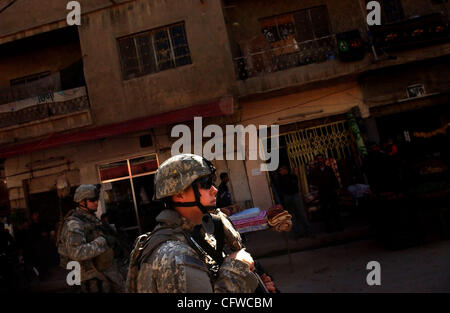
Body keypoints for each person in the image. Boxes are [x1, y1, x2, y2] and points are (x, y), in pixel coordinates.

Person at [126, 153, 261, 293]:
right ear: (179, 194)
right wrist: (237, 268)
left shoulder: (196, 234)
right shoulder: (174, 255)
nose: (214, 190)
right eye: (206, 183)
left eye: (212, 182)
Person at [57, 184, 127, 293]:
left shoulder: (90, 219)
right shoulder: (74, 224)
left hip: (103, 273)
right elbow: (76, 252)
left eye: (97, 199)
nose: (96, 202)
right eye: (92, 200)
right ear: (81, 202)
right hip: (90, 279)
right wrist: (103, 241)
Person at [309, 154, 343, 233]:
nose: (320, 160)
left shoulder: (329, 169)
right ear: (317, 160)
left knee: (335, 209)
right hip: (322, 192)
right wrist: (317, 186)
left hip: (331, 192)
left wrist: (337, 189)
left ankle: (339, 226)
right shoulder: (315, 171)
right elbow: (311, 180)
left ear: (324, 159)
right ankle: (328, 228)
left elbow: (334, 179)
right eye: (319, 159)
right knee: (325, 211)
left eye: (322, 158)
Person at [277, 165, 310, 238]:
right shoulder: (280, 179)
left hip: (295, 196)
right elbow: (281, 189)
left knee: (301, 213)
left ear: (286, 170)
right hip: (287, 197)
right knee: (292, 216)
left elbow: (293, 185)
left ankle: (307, 230)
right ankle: (297, 233)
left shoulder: (292, 176)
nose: (281, 172)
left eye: (282, 170)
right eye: (280, 171)